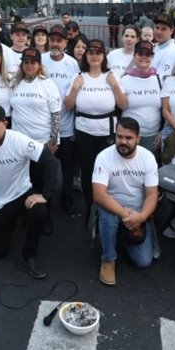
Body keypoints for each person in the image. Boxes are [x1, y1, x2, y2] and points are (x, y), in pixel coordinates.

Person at [0, 104, 60, 279]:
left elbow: (51, 161)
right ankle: (10, 224)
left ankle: (29, 254)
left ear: (5, 123)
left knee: (39, 212)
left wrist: (45, 194)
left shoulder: (19, 140)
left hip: (21, 194)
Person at [64, 39, 128, 218]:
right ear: (86, 55)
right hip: (84, 132)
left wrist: (115, 85)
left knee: (108, 170)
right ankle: (90, 208)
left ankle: (108, 208)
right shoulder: (78, 77)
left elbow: (123, 104)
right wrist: (76, 88)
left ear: (103, 56)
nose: (94, 56)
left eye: (98, 53)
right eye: (91, 53)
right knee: (88, 171)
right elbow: (68, 105)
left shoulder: (111, 76)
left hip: (107, 131)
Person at [92, 117, 159, 286]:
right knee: (107, 214)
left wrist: (141, 217)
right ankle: (108, 259)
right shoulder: (103, 157)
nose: (123, 141)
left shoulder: (148, 158)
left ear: (138, 138)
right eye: (119, 136)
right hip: (113, 207)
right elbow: (99, 194)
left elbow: (152, 195)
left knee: (144, 262)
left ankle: (118, 236)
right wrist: (125, 214)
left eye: (128, 138)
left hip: (138, 211)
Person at [40, 26, 81, 216]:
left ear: (66, 43)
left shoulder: (72, 64)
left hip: (65, 127)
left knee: (67, 168)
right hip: (42, 128)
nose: (55, 43)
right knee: (43, 169)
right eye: (53, 39)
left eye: (60, 40)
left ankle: (67, 199)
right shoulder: (40, 61)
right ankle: (44, 202)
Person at [119, 40, 163, 154]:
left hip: (153, 136)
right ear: (134, 56)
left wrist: (162, 131)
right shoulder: (124, 80)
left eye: (147, 54)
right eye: (140, 54)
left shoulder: (159, 80)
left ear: (152, 57)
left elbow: (166, 108)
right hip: (129, 136)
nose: (144, 57)